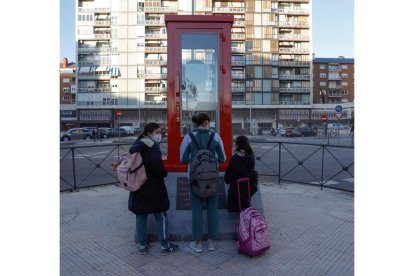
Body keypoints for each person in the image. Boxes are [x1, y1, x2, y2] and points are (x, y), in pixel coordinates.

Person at [128, 122, 178, 256]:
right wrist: (164, 173)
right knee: (160, 215)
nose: (160, 135)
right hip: (154, 186)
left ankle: (143, 246)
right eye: (157, 132)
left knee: (141, 215)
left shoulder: (136, 145)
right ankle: (164, 246)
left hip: (138, 185)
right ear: (149, 133)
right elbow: (158, 167)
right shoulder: (152, 146)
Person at [180, 113, 226, 253]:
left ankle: (197, 243)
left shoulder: (188, 137)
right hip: (212, 179)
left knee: (197, 210)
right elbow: (223, 158)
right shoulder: (216, 137)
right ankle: (211, 242)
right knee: (212, 209)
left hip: (194, 179)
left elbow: (183, 159)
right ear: (206, 122)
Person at [224, 135, 258, 212]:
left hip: (235, 199)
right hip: (249, 192)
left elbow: (227, 179)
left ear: (237, 145)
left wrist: (235, 154)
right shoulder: (251, 156)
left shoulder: (235, 158)